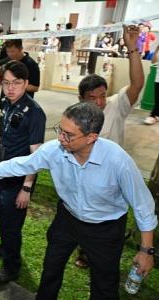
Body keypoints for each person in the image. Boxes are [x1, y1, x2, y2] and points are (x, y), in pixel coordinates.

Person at [0, 102, 157, 300]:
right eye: (60, 130)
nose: (60, 138)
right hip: (67, 219)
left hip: (105, 228)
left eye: (68, 134)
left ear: (91, 137)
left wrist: (146, 251)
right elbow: (22, 164)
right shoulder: (55, 150)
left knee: (105, 283)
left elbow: (142, 205)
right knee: (51, 267)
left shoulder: (118, 161)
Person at [73, 25, 145, 268]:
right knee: (85, 213)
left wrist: (132, 48)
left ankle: (105, 253)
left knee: (111, 217)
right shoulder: (75, 116)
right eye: (92, 98)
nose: (99, 102)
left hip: (112, 176)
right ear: (81, 99)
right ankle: (84, 251)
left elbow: (137, 84)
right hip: (86, 175)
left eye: (102, 95)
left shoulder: (116, 106)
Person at [0, 60, 46, 284]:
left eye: (17, 83)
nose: (11, 88)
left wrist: (26, 188)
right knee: (2, 216)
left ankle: (11, 268)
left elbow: (36, 157)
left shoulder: (35, 113)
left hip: (17, 180)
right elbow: (4, 135)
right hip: (1, 173)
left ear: (26, 83)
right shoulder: (7, 102)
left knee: (12, 226)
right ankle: (4, 247)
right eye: (7, 83)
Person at [144, 44, 159, 125]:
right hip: (158, 78)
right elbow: (153, 61)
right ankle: (153, 115)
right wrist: (156, 49)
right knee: (157, 98)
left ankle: (154, 115)